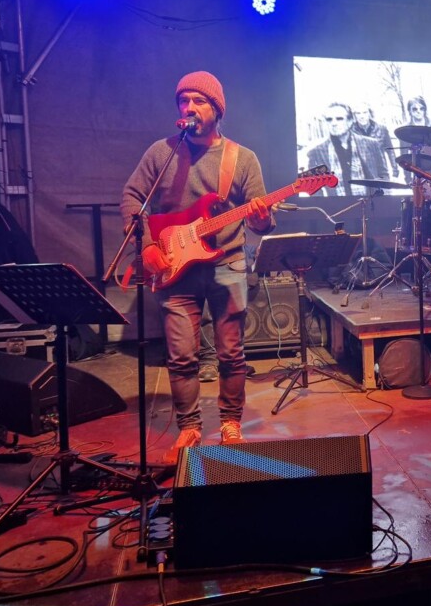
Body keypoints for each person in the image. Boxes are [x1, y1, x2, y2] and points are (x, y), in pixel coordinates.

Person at [121, 71, 273, 464]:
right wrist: (148, 245)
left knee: (231, 352)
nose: (189, 107)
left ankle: (231, 424)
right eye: (183, 100)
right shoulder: (162, 153)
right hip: (175, 265)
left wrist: (260, 218)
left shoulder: (242, 158)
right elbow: (133, 197)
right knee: (181, 354)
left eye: (199, 101)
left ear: (217, 110)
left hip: (228, 263)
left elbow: (261, 221)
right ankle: (189, 427)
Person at [306, 103, 391, 196]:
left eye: (339, 119)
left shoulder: (371, 144)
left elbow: (383, 175)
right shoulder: (317, 152)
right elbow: (314, 189)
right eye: (329, 119)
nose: (334, 123)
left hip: (369, 202)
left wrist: (383, 198)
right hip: (338, 204)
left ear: (350, 121)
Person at [352, 102, 398, 181]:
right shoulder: (351, 131)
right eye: (358, 113)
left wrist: (395, 170)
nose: (362, 116)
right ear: (354, 115)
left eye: (365, 112)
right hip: (360, 173)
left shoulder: (382, 129)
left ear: (370, 113)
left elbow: (390, 150)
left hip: (380, 171)